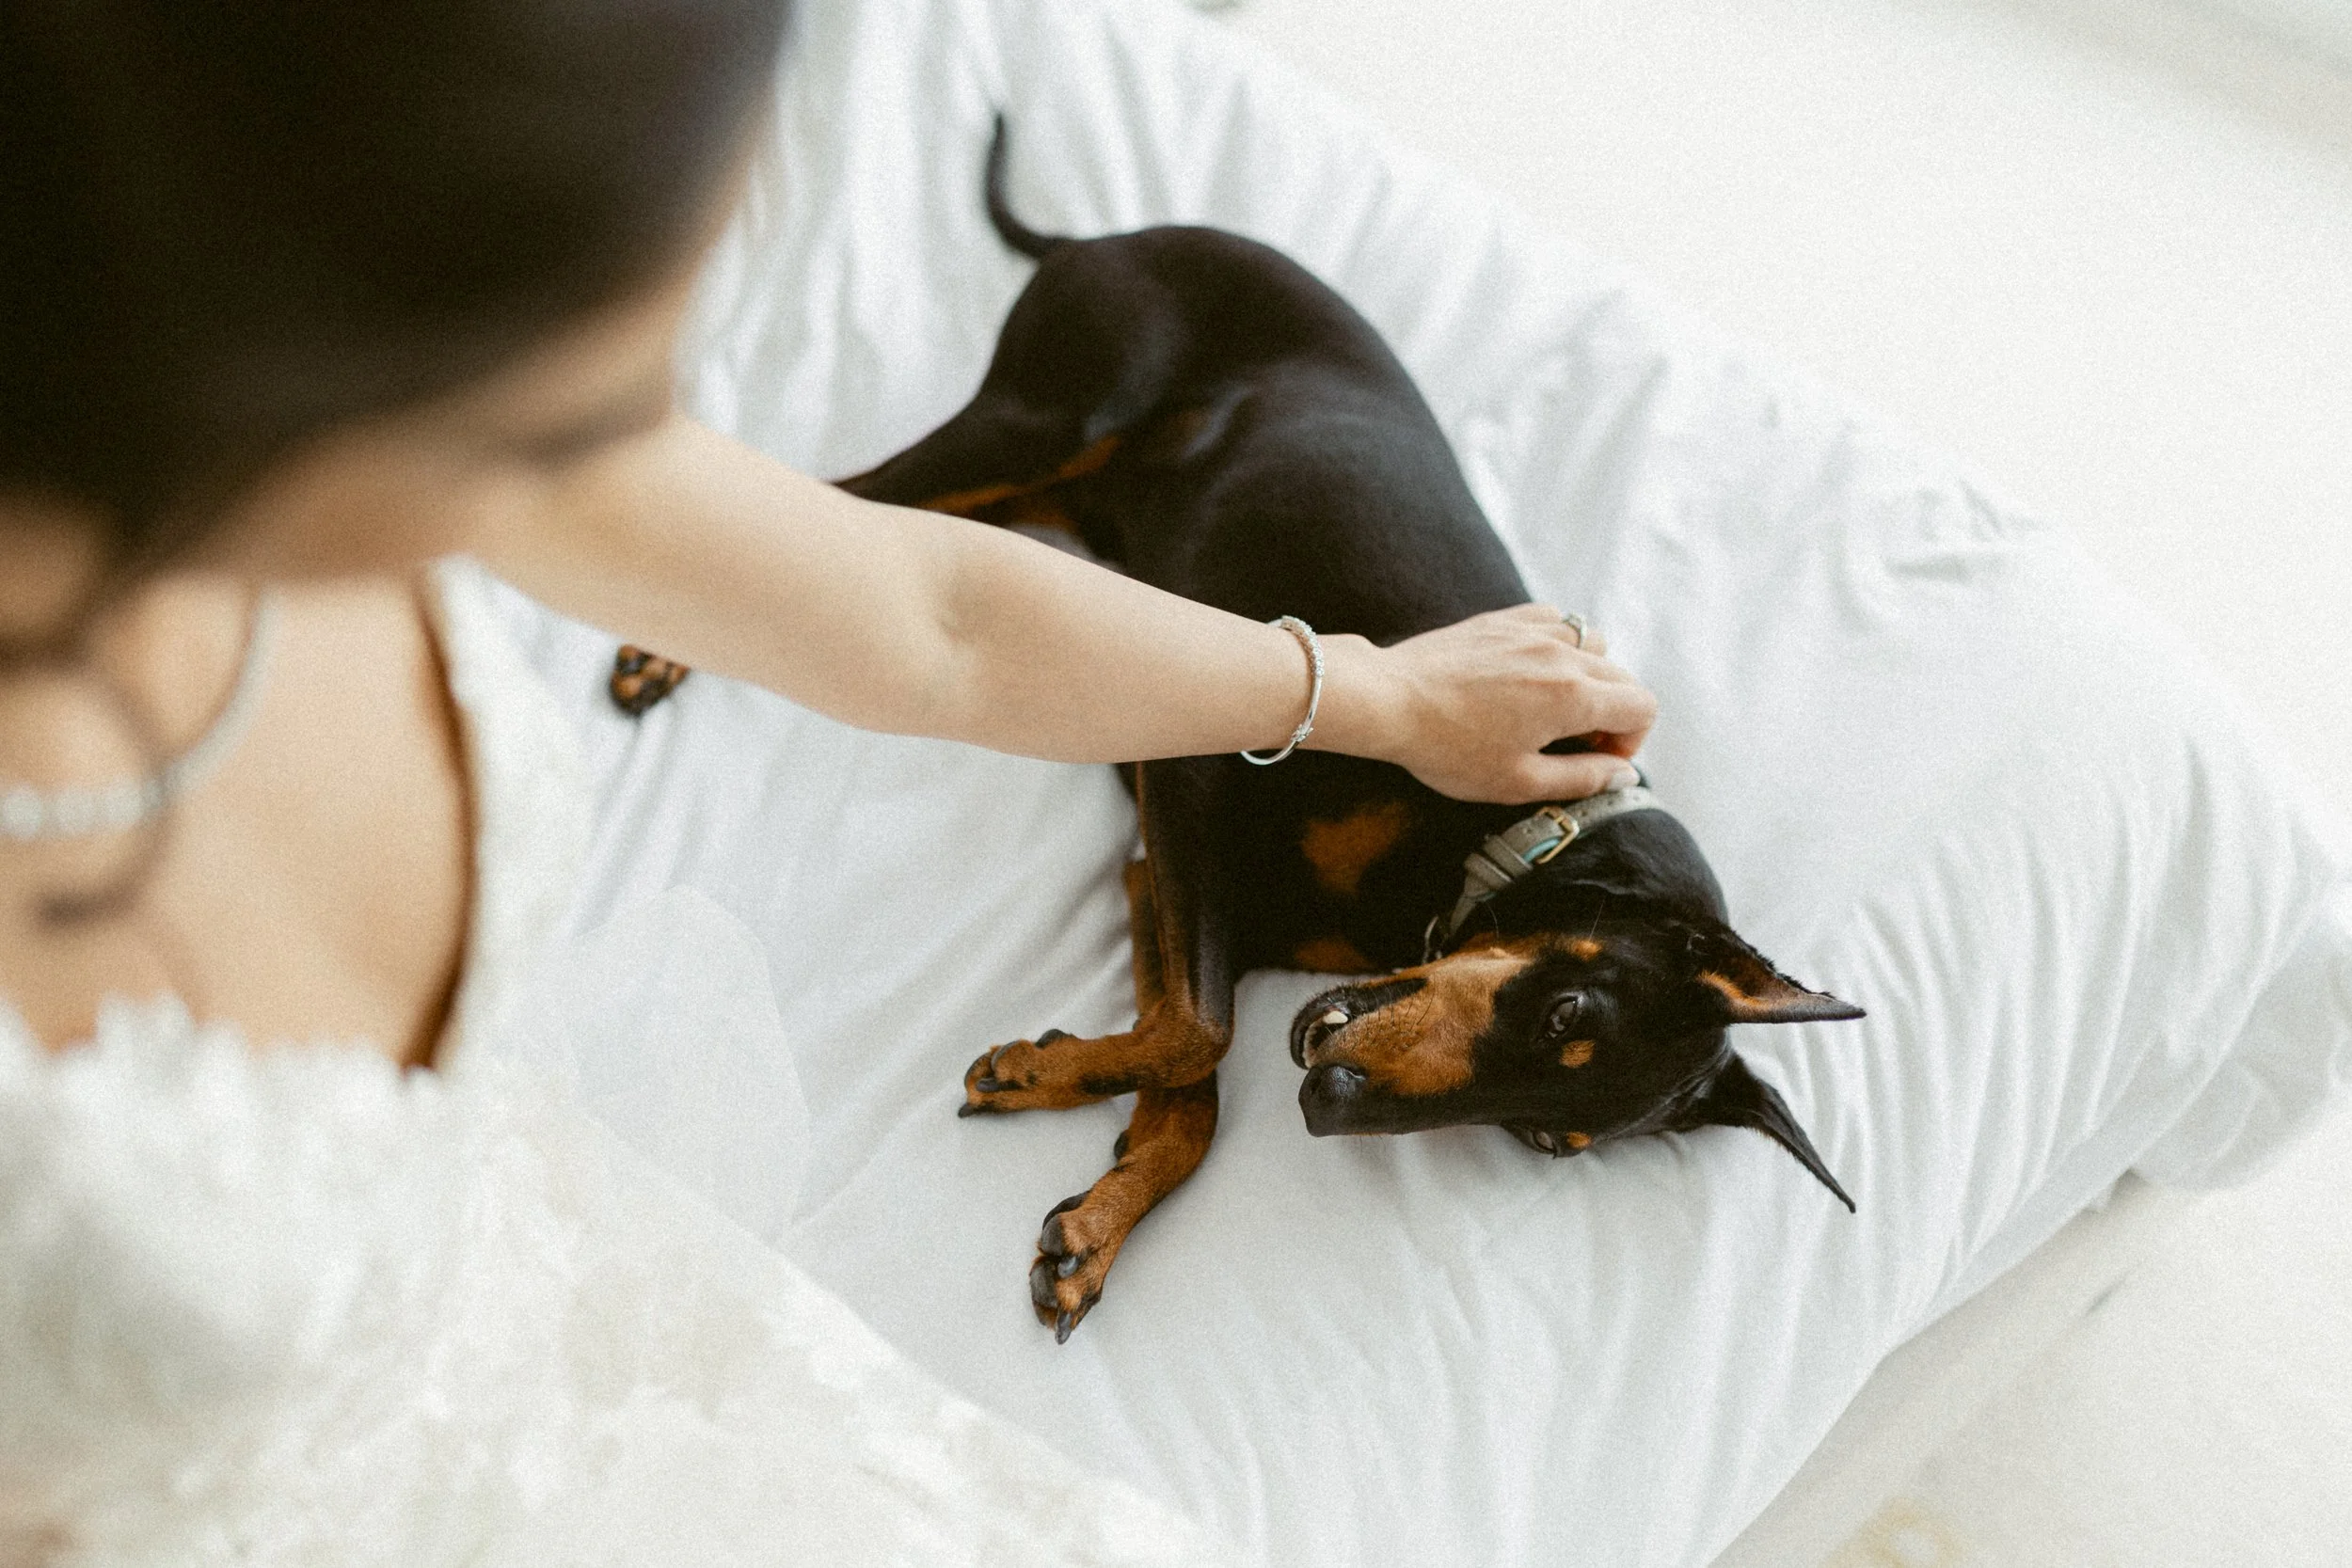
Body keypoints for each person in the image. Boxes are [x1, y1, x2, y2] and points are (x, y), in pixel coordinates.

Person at [0, 0, 1652, 1558]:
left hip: (509, 1354)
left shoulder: (312, 386)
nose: (635, 455)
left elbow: (938, 616)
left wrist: (1378, 689)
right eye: (566, 409)